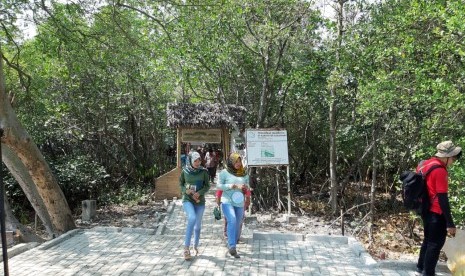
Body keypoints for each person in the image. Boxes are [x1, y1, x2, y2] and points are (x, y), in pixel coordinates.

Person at [416, 140, 460, 276]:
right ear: (446, 157)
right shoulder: (440, 171)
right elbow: (443, 199)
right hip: (436, 212)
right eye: (453, 157)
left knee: (428, 240)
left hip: (425, 209)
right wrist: (450, 223)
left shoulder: (425, 164)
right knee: (435, 244)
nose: (454, 161)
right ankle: (428, 272)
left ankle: (420, 266)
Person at [217, 152, 250, 258]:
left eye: (239, 161)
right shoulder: (224, 173)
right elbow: (218, 186)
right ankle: (232, 246)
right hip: (227, 201)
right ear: (231, 162)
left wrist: (246, 191)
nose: (238, 163)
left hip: (239, 202)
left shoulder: (244, 173)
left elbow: (248, 187)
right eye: (236, 161)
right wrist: (231, 185)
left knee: (238, 222)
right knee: (232, 219)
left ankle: (233, 242)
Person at [179, 151, 210, 260]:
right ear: (190, 161)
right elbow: (181, 184)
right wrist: (185, 190)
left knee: (197, 226)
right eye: (195, 160)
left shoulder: (203, 172)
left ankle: (195, 246)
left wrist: (199, 193)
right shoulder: (185, 171)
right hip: (187, 200)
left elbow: (207, 186)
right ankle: (186, 248)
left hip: (199, 202)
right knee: (191, 218)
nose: (197, 163)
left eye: (199, 160)